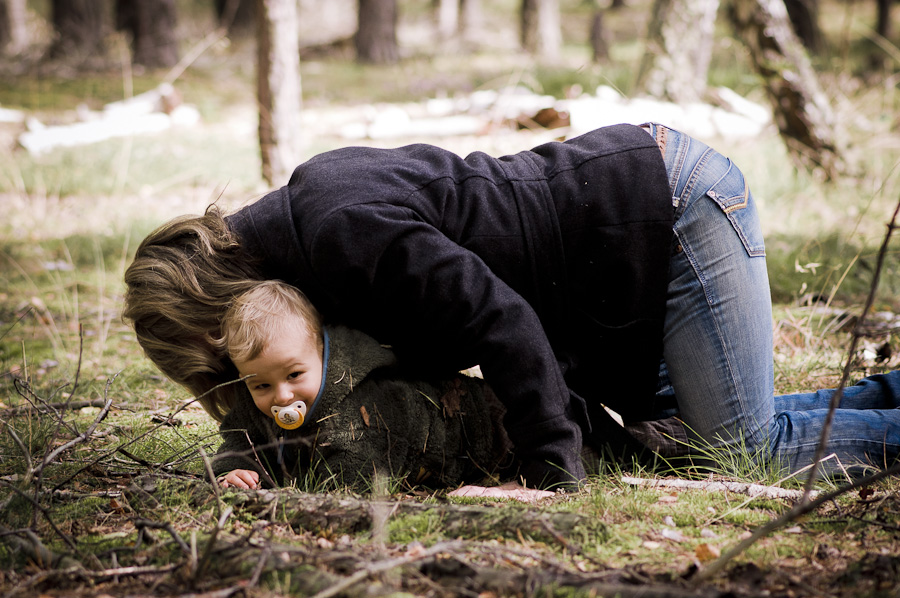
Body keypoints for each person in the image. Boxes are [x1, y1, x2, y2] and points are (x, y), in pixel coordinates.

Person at [124, 122, 900, 494]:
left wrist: (549, 479)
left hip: (668, 209)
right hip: (618, 265)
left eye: (213, 360)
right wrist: (243, 465)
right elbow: (284, 409)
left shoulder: (338, 232)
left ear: (209, 304)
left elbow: (502, 322)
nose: (238, 374)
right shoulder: (293, 281)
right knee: (704, 429)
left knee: (740, 447)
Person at [213, 280, 514, 492]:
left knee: (510, 432)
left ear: (323, 355)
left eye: (294, 375)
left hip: (479, 427)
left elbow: (351, 480)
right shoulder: (255, 403)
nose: (282, 396)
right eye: (262, 385)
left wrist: (290, 488)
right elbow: (240, 438)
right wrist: (232, 470)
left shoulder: (355, 413)